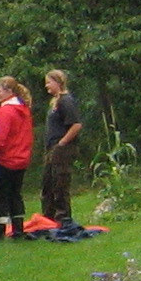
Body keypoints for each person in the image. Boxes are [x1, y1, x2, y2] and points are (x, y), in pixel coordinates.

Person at [0, 75, 35, 240]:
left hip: (6, 159)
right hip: (22, 158)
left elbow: (0, 138)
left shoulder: (6, 111)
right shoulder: (24, 109)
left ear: (8, 91)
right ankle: (18, 229)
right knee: (15, 194)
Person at [42, 69, 84, 227]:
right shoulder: (55, 101)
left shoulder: (66, 101)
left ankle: (63, 218)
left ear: (58, 82)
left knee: (60, 183)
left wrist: (62, 143)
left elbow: (76, 124)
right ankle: (48, 218)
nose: (46, 86)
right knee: (48, 184)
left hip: (62, 148)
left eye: (49, 82)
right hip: (51, 148)